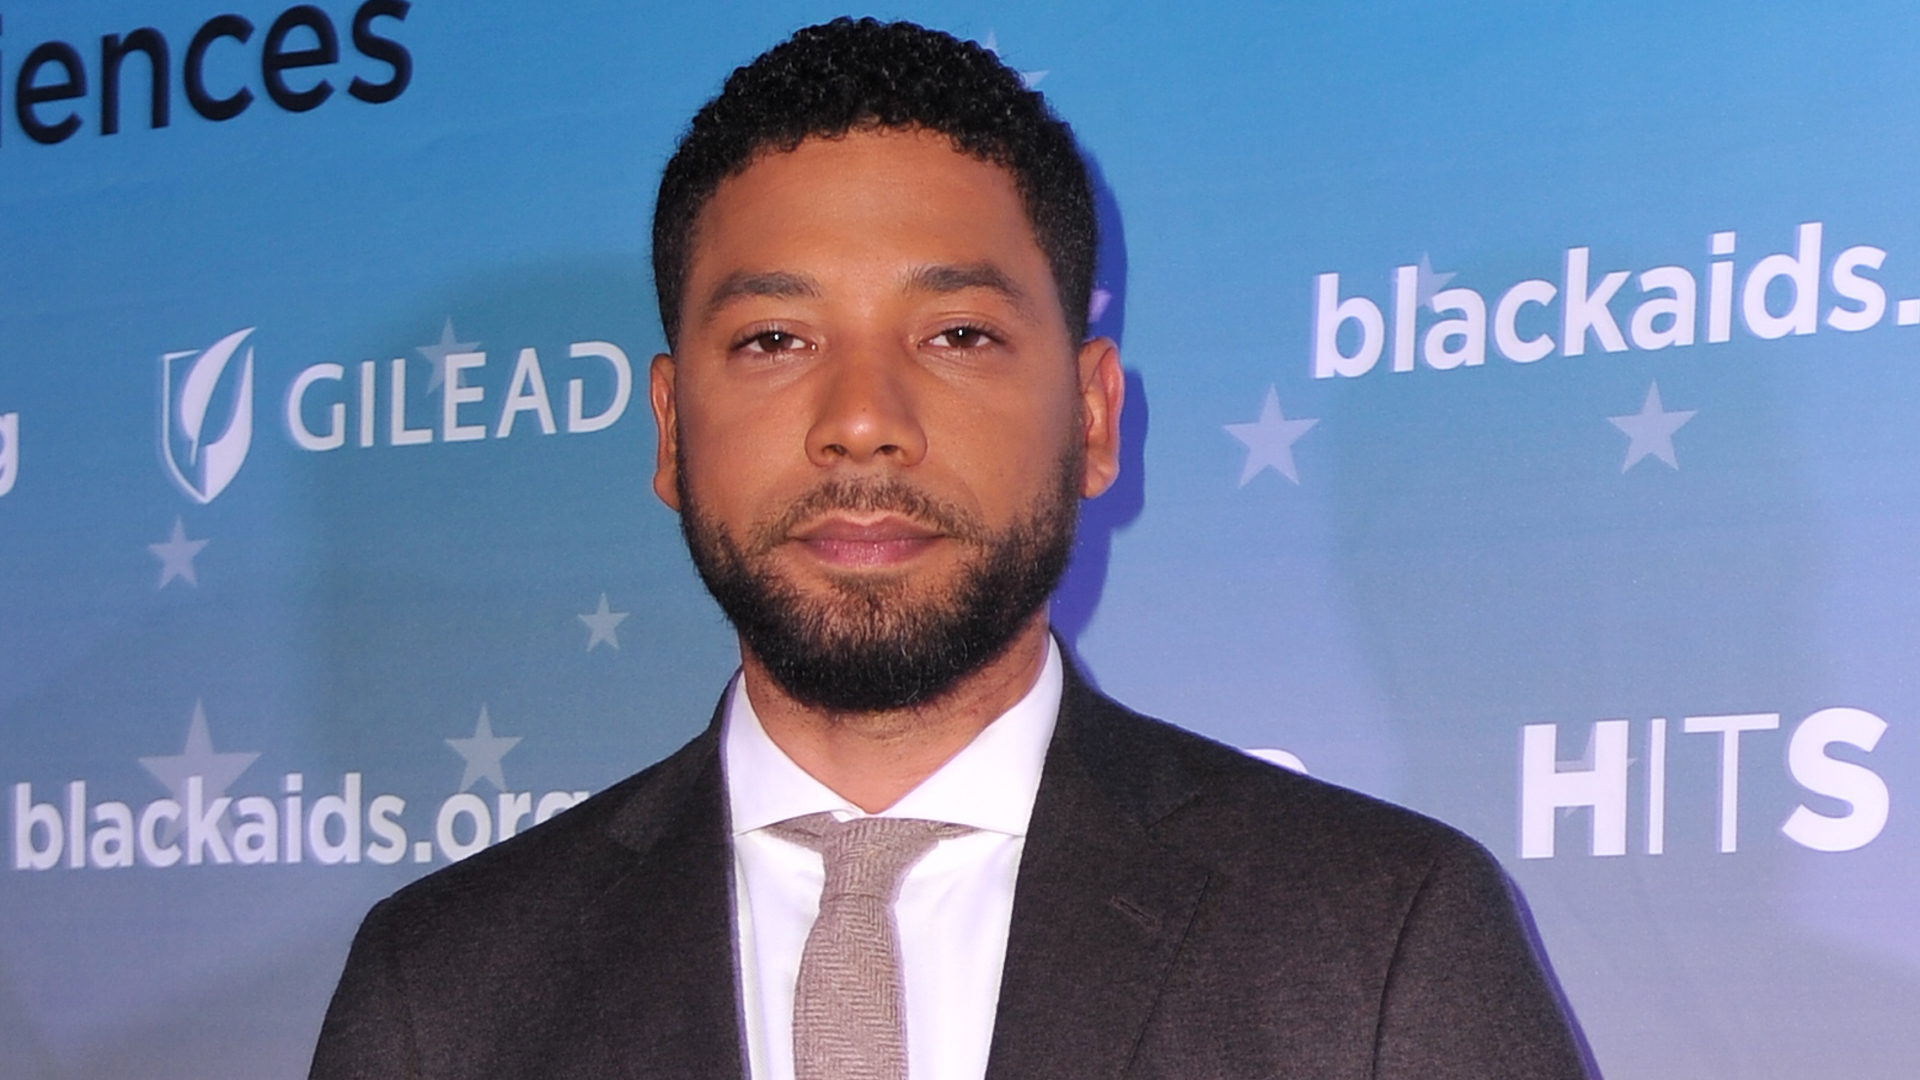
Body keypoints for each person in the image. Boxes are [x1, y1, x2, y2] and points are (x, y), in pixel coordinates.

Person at [309, 17, 1591, 1080]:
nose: (862, 422)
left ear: (1091, 419)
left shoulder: (1376, 942)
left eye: (957, 336)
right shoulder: (445, 994)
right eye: (773, 341)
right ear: (667, 432)